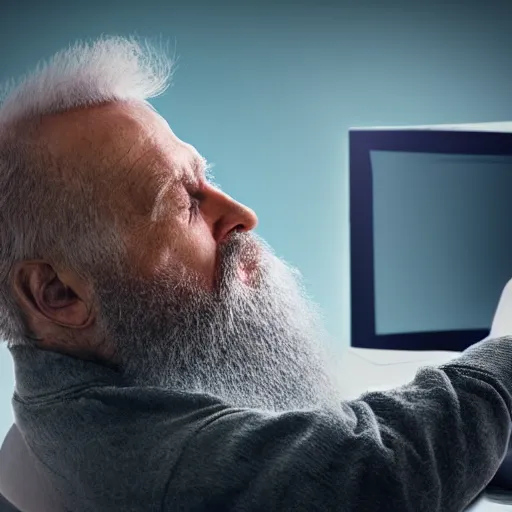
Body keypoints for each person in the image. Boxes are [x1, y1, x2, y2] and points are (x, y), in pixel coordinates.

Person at [0, 35, 511, 512]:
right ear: (57, 292)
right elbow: (373, 473)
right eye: (184, 201)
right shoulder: (147, 459)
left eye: (207, 178)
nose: (242, 214)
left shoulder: (55, 408)